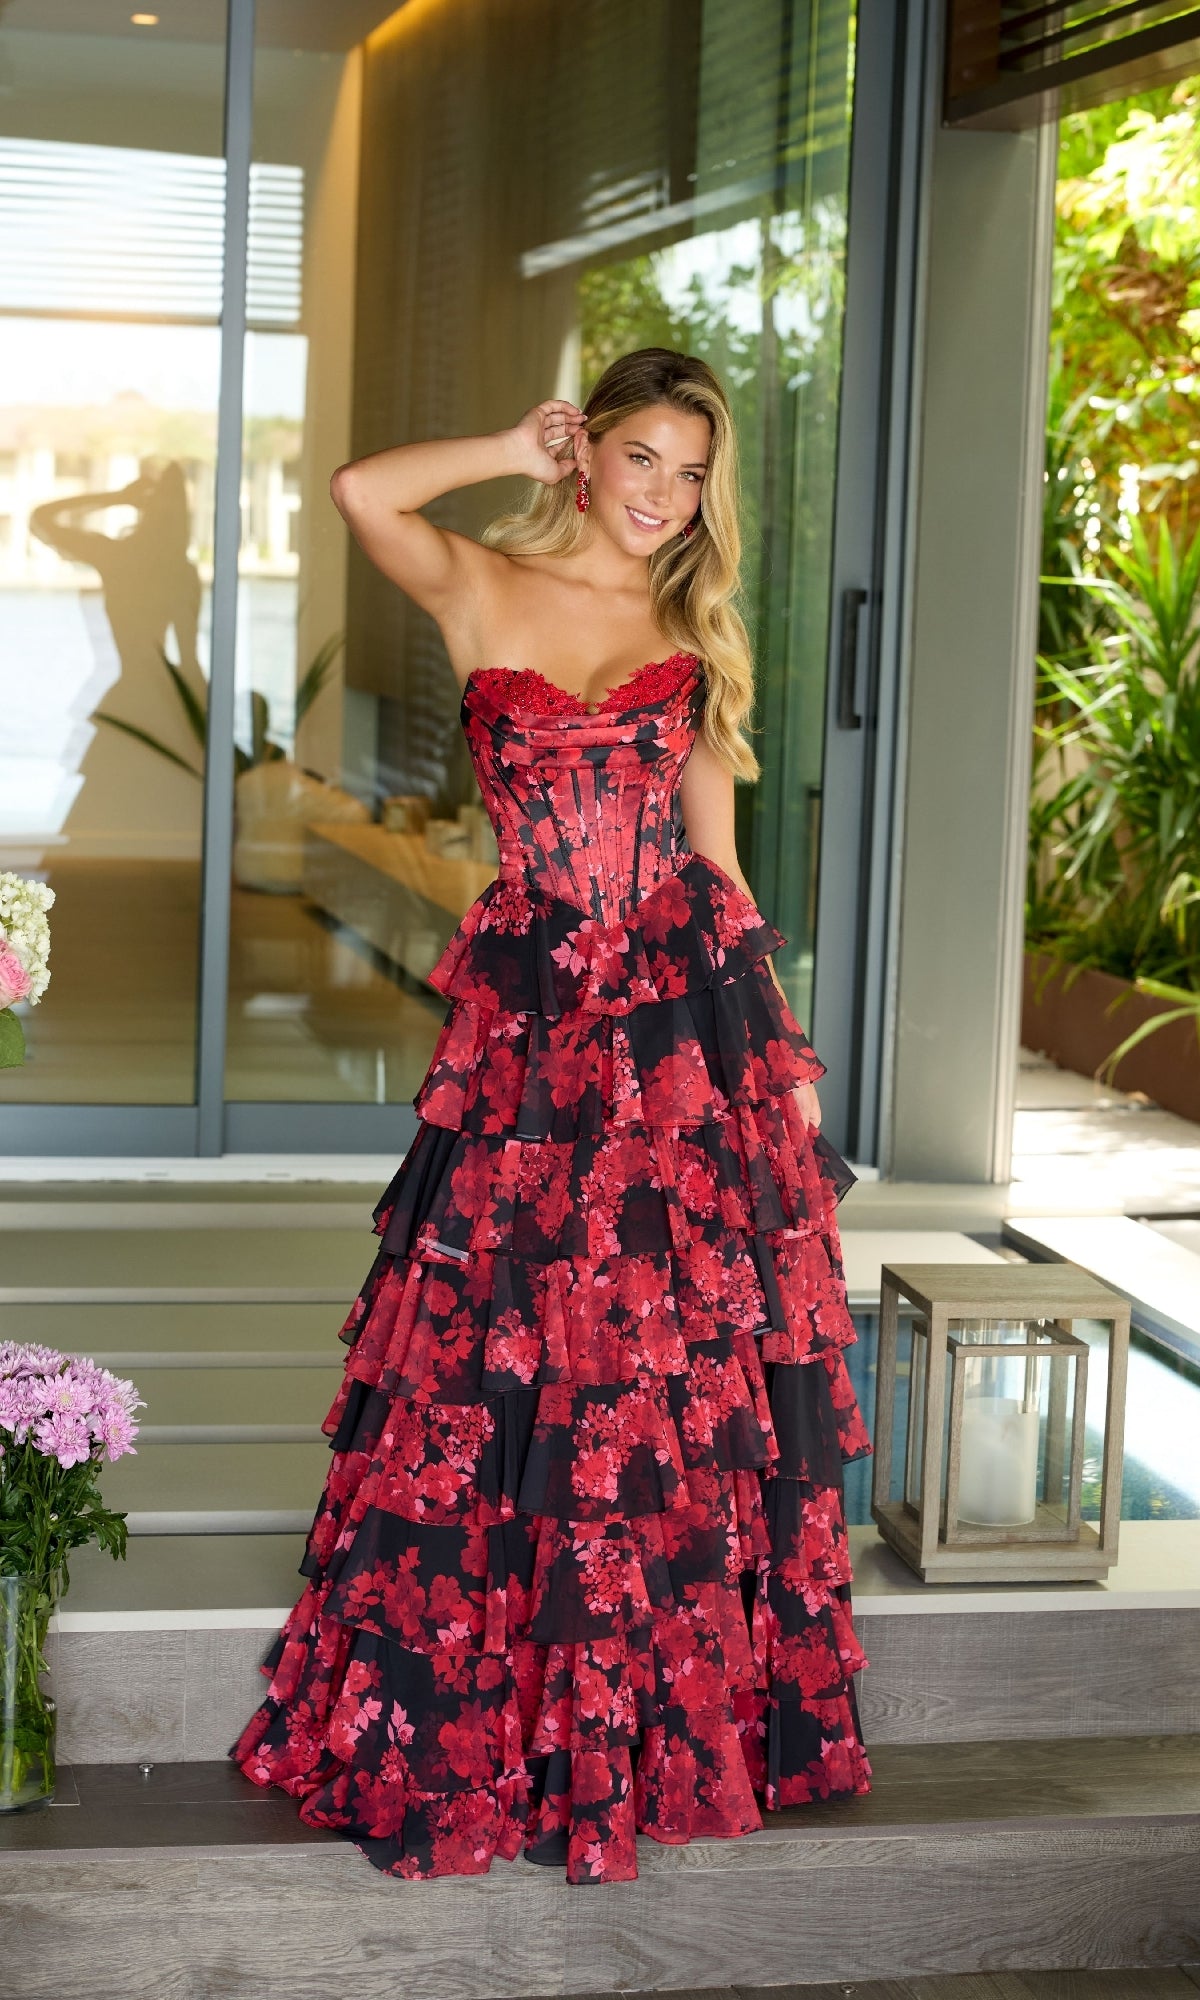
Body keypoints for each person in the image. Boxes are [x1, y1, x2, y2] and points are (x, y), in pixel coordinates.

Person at [231, 347, 872, 1884]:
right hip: (526, 1041)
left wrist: (771, 1064)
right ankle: (490, 1721)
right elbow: (359, 491)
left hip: (671, 1045)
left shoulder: (689, 637)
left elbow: (717, 871)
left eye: (693, 473)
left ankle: (642, 1721)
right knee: (491, 1363)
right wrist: (502, 437)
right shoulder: (480, 587)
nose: (665, 497)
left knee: (653, 1376)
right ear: (586, 456)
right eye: (642, 458)